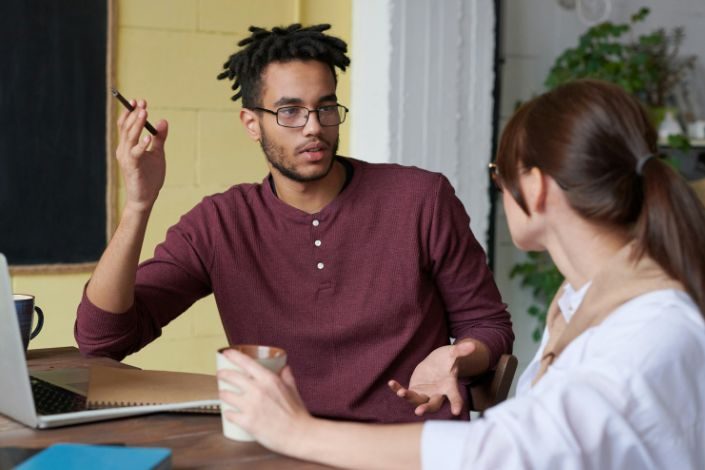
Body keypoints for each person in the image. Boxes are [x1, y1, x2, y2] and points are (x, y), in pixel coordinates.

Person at [215, 79, 705, 469]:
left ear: (534, 188)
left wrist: (296, 431)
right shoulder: (586, 304)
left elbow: (506, 452)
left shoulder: (650, 330)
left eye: (499, 173)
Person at [74, 23, 513, 423]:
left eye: (325, 108)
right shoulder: (220, 222)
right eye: (290, 111)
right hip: (281, 447)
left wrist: (456, 358)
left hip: (405, 446)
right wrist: (138, 205)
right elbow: (103, 339)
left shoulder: (420, 198)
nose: (313, 128)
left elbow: (489, 326)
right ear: (251, 123)